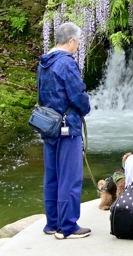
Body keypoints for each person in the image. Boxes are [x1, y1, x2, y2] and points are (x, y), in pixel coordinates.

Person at [38, 22, 92, 239]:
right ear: (70, 41)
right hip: (67, 127)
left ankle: (52, 223)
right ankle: (67, 227)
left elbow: (42, 94)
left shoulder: (44, 62)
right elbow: (77, 94)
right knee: (70, 177)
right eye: (77, 42)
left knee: (52, 176)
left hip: (48, 125)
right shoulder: (67, 64)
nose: (78, 46)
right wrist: (85, 109)